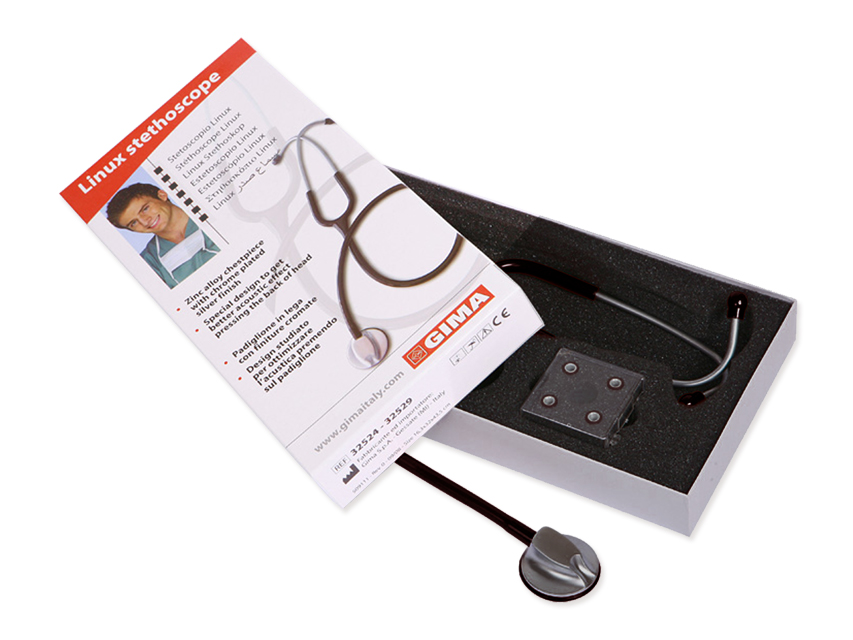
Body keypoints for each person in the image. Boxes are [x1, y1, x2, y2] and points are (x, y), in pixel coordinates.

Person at [106, 183, 219, 288]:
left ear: (162, 195)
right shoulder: (149, 262)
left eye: (145, 209)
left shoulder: (211, 211)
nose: (145, 221)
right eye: (134, 223)